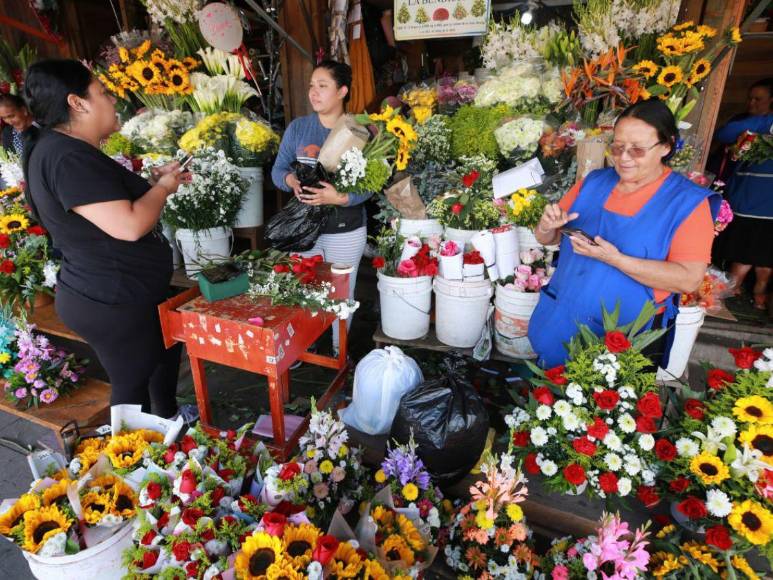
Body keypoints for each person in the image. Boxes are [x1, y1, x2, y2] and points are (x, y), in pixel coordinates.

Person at [22, 60, 189, 417]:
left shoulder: (65, 150)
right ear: (77, 103)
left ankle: (167, 422)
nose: (112, 100)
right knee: (131, 386)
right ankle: (130, 461)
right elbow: (128, 225)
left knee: (165, 348)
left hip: (120, 289)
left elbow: (106, 203)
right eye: (102, 92)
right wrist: (163, 187)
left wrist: (151, 179)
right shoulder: (65, 157)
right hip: (111, 297)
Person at [528, 99, 720, 368]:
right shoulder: (594, 182)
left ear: (667, 146)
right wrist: (546, 227)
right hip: (562, 317)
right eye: (617, 147)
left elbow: (689, 279)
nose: (624, 158)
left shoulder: (687, 203)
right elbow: (549, 238)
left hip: (624, 339)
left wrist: (616, 259)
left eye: (638, 150)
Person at [270, 60, 371, 353]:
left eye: (322, 86)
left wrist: (340, 198)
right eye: (312, 85)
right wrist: (291, 180)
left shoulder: (361, 130)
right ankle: (305, 348)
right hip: (303, 230)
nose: (314, 92)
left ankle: (339, 354)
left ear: (342, 91)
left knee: (342, 293)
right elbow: (277, 171)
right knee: (304, 288)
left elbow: (373, 184)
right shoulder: (299, 128)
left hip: (345, 229)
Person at [714, 111, 773, 310]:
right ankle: (725, 297)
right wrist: (769, 125)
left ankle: (759, 294)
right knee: (742, 259)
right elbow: (725, 134)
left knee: (765, 265)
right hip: (748, 203)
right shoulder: (762, 124)